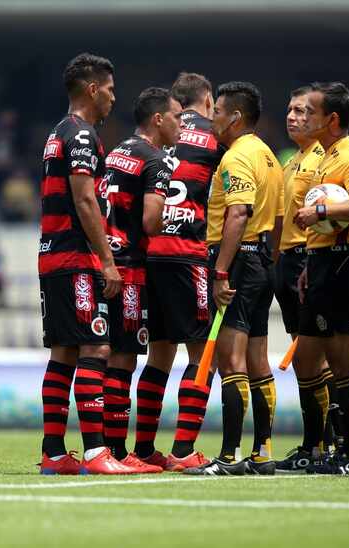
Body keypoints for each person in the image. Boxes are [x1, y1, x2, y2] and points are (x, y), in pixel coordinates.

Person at [37, 52, 133, 475]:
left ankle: (54, 452)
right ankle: (97, 453)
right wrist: (108, 262)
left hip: (54, 255)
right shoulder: (80, 135)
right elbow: (84, 199)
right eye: (110, 89)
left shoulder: (59, 131)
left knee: (64, 351)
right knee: (96, 346)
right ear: (93, 88)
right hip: (75, 257)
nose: (114, 97)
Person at [185, 81, 282, 476]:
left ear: (236, 117)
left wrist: (221, 271)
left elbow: (237, 213)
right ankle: (262, 452)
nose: (213, 119)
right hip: (261, 260)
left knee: (231, 360)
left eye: (219, 112)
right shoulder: (268, 156)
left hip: (237, 261)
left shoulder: (237, 157)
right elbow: (275, 220)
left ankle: (228, 456)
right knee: (259, 361)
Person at [132, 72, 222, 472]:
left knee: (160, 354)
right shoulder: (216, 137)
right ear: (207, 99)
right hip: (188, 255)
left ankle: (145, 449)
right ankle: (184, 451)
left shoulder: (159, 134)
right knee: (203, 354)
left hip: (150, 254)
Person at [292, 82, 349, 476]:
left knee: (344, 363)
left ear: (332, 119)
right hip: (322, 262)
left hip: (344, 265)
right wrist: (311, 262)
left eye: (311, 112)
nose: (303, 118)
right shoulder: (323, 156)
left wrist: (320, 209)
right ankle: (313, 447)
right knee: (306, 359)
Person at [99, 87, 179, 473]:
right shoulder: (157, 160)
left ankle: (107, 448)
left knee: (109, 352)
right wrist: (178, 219)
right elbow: (150, 221)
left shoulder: (116, 152)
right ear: (158, 119)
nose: (181, 125)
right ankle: (116, 450)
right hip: (129, 266)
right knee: (124, 357)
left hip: (103, 259)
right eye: (177, 118)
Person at [271, 86, 343, 474]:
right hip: (288, 262)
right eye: (290, 109)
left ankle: (326, 443)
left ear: (319, 118)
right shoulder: (292, 161)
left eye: (302, 110)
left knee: (316, 358)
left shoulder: (323, 160)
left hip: (309, 260)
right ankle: (317, 443)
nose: (293, 116)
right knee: (305, 360)